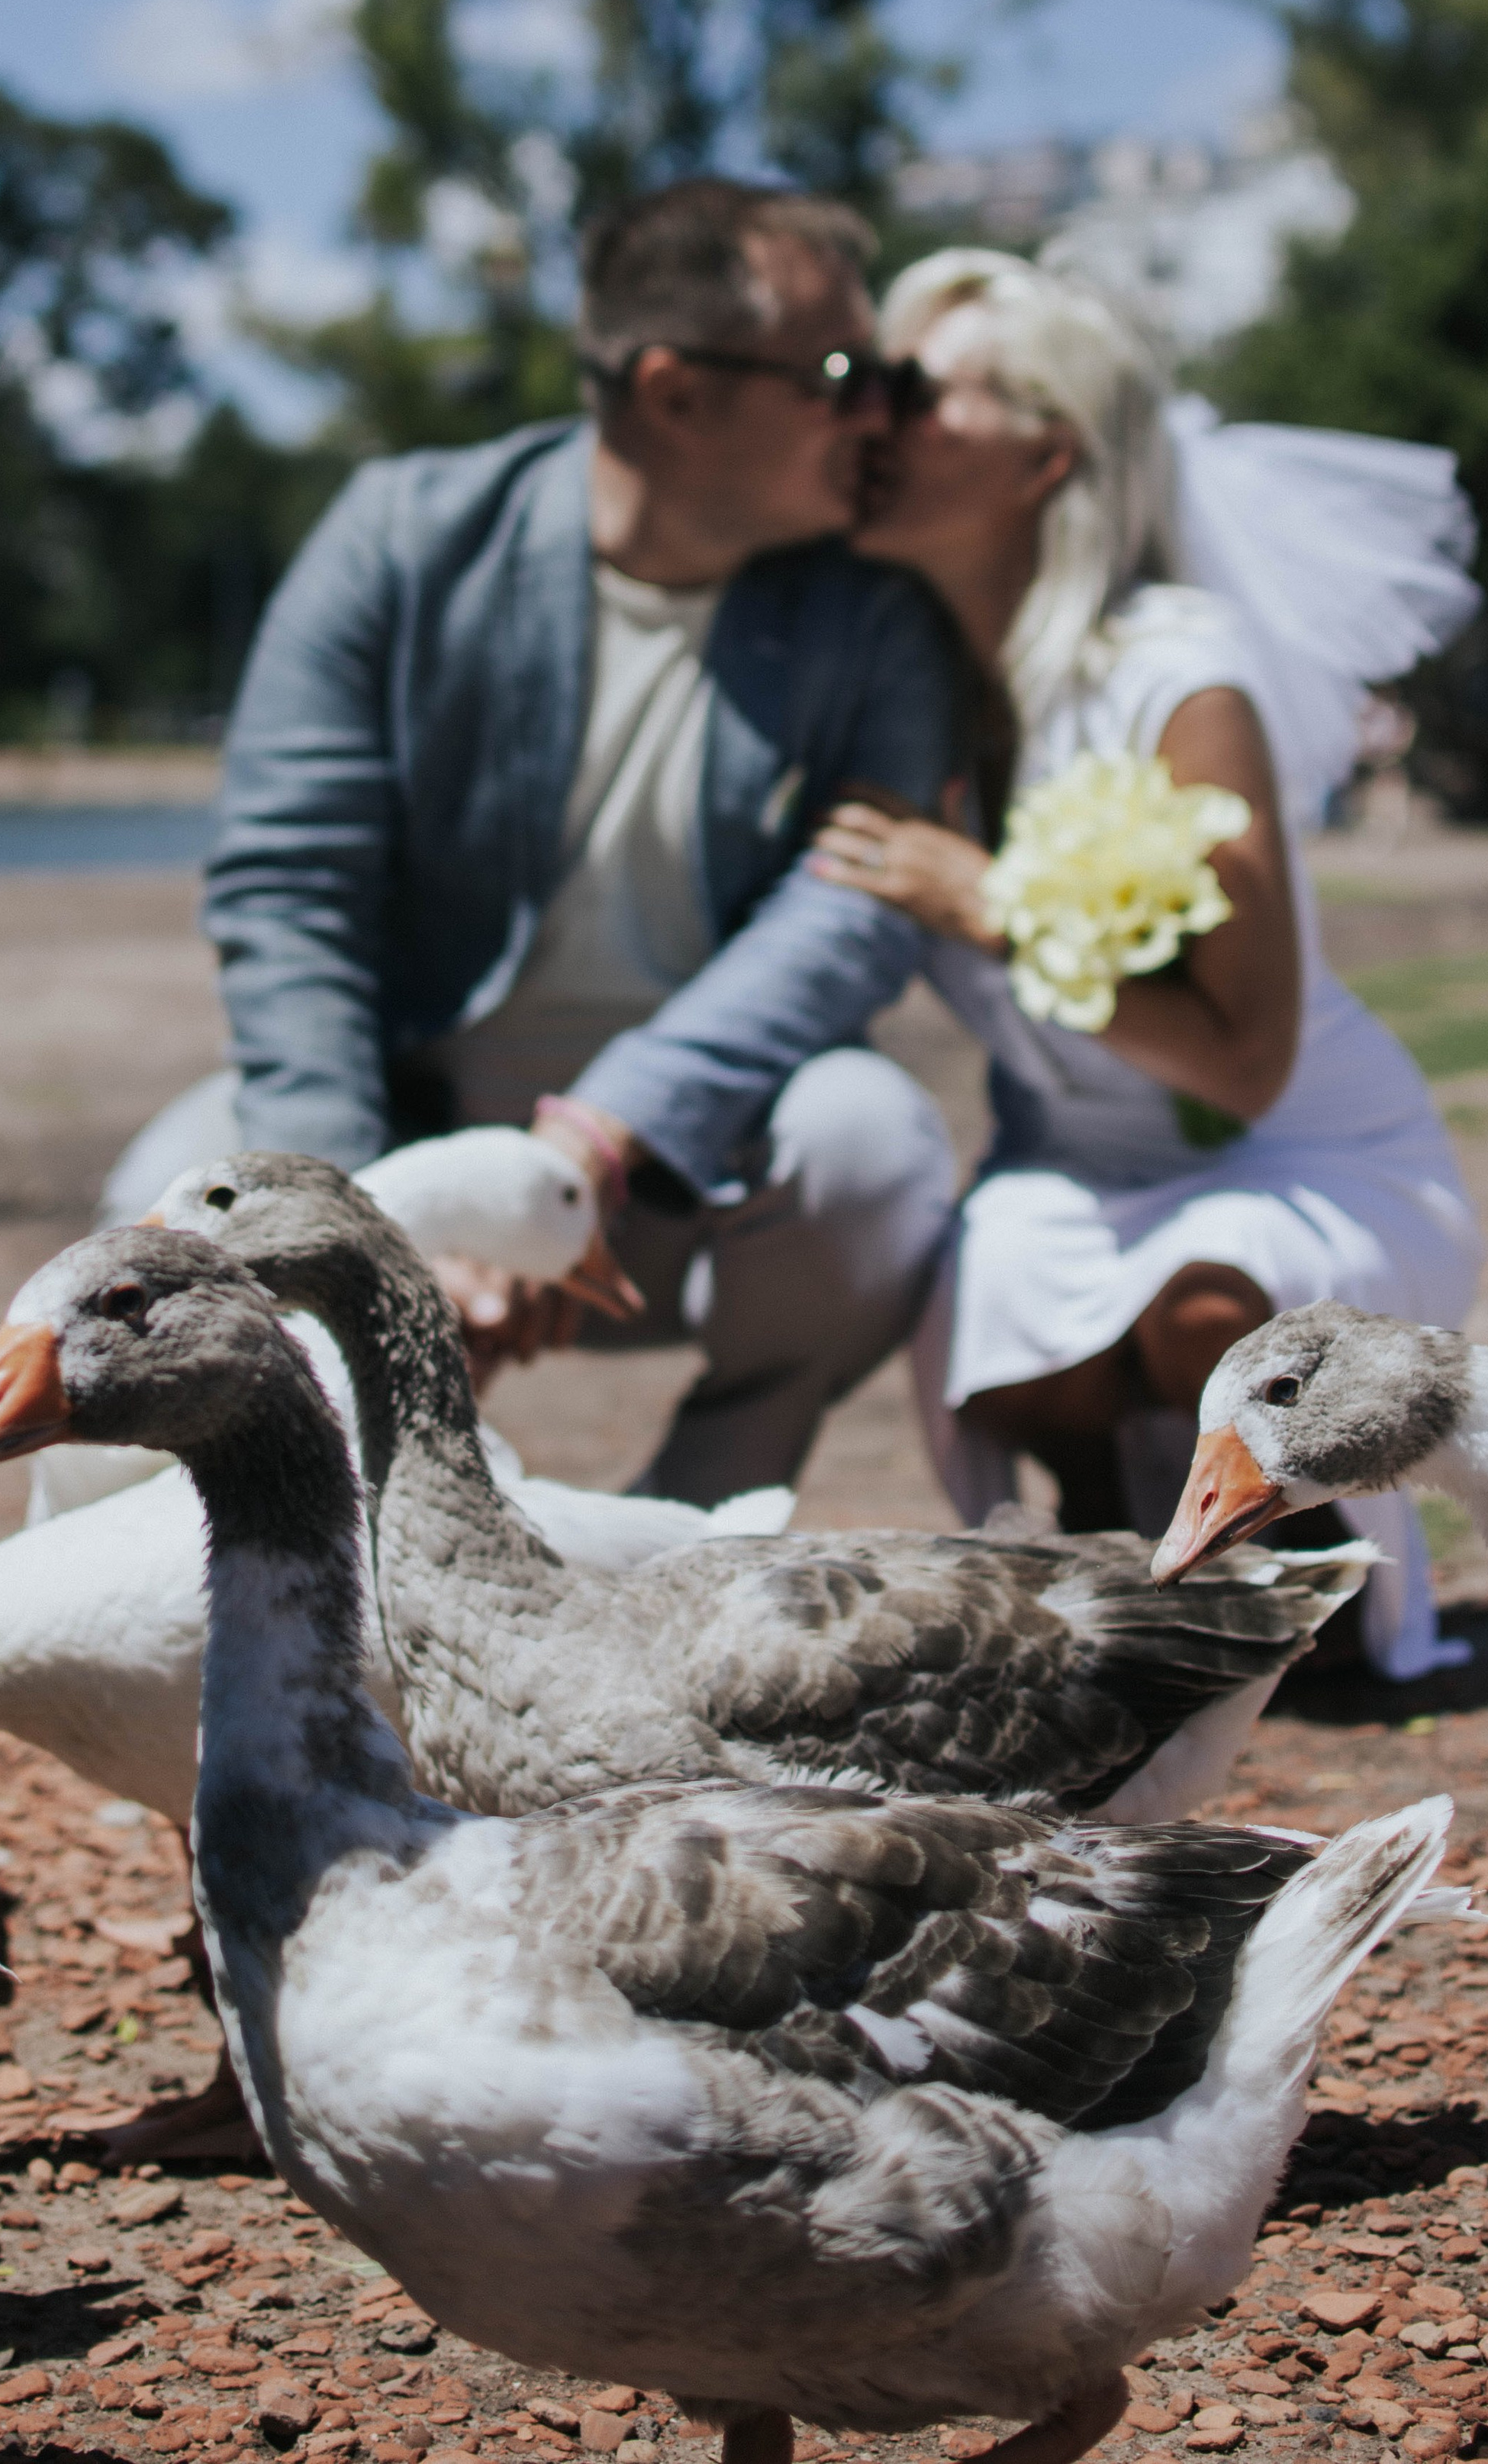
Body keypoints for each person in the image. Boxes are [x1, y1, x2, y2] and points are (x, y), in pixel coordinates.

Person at [147, 179, 965, 1508]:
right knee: (166, 1200)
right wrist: (365, 1230)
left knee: (877, 1152)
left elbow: (858, 911)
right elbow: (291, 888)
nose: (879, 409)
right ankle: (306, 1568)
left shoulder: (874, 616)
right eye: (840, 372)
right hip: (408, 1133)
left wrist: (594, 1142)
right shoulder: (401, 540)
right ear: (674, 389)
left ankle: (687, 1534)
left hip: (685, 1168)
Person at [808, 250, 1483, 1676]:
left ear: (1048, 449)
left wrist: (999, 904)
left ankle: (1319, 1577)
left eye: (917, 389)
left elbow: (1243, 1062)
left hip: (1303, 1146)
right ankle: (1139, 1555)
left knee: (1209, 1304)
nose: (872, 416)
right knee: (987, 1316)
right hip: (1073, 1161)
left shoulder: (1182, 674)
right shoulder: (909, 684)